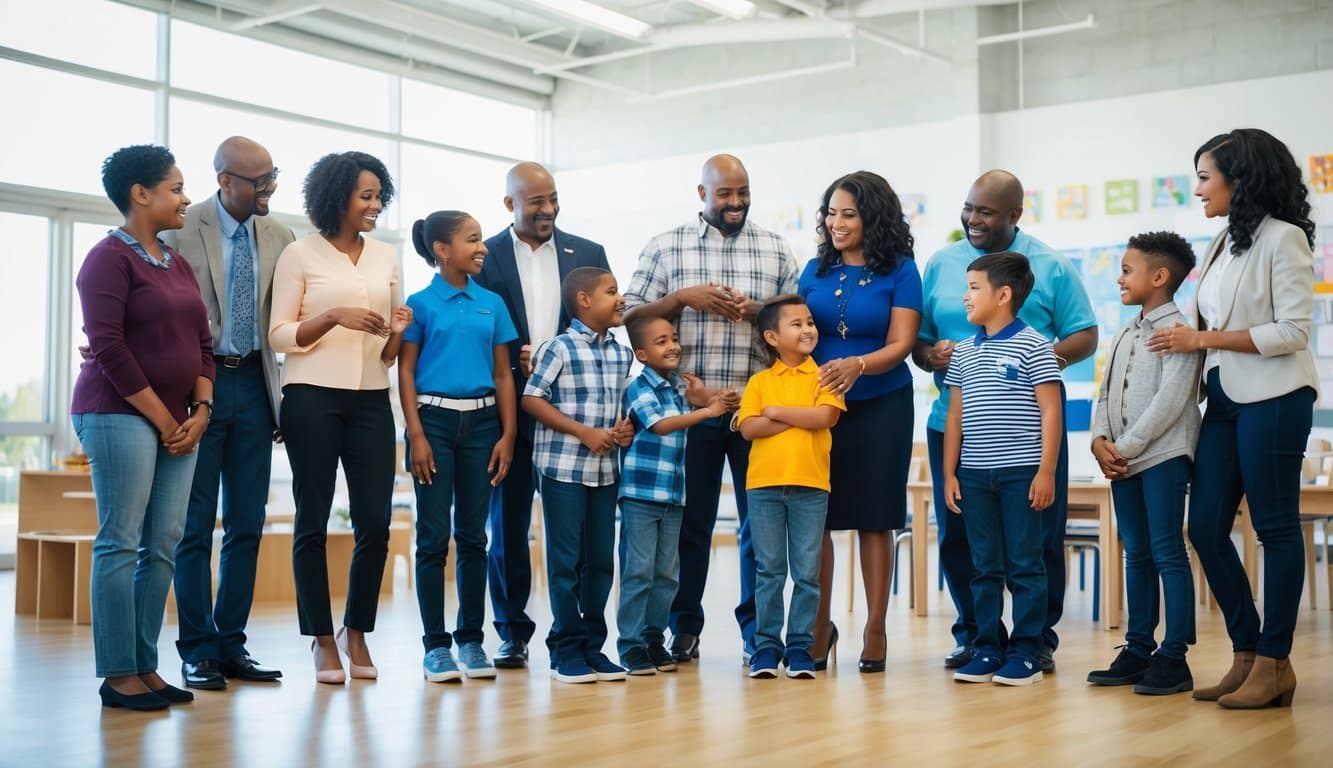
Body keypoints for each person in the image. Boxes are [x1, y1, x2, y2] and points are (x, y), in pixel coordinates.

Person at [1147, 128, 1319, 709]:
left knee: (1274, 527)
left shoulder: (1285, 238)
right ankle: (1247, 654)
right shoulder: (1224, 242)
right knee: (1204, 528)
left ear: (1237, 179)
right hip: (1221, 399)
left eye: (1203, 176)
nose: (1197, 188)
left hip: (1275, 396)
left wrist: (1202, 337)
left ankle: (1275, 662)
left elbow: (1293, 332)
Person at [915, 170, 1097, 673]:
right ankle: (978, 635)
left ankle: (1034, 641)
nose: (972, 219)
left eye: (986, 211)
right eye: (969, 207)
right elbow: (920, 340)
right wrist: (933, 355)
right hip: (956, 427)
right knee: (962, 539)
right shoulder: (941, 264)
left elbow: (1085, 335)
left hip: (1027, 435)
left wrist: (1026, 365)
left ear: (1015, 215)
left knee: (1036, 541)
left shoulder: (1050, 266)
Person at [624, 154, 801, 664]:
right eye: (725, 194)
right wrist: (681, 298)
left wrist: (759, 312)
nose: (736, 202)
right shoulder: (665, 247)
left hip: (757, 413)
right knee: (689, 526)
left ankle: (757, 634)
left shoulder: (774, 248)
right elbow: (630, 316)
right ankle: (683, 628)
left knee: (759, 530)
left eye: (743, 192)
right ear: (702, 194)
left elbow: (796, 319)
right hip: (689, 413)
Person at [73, 144, 213, 710]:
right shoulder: (108, 258)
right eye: (176, 188)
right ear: (141, 194)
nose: (185, 198)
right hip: (116, 412)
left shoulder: (175, 262)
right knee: (121, 540)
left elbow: (203, 345)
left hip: (181, 420)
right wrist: (163, 417)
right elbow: (107, 345)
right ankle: (117, 673)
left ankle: (145, 665)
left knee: (163, 544)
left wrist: (200, 412)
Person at [269, 151, 412, 685]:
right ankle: (321, 638)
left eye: (379, 195)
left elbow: (387, 353)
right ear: (337, 198)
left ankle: (357, 631)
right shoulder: (299, 254)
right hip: (310, 396)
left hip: (372, 398)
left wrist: (398, 327)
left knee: (375, 523)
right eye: (366, 195)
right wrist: (331, 316)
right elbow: (279, 335)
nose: (375, 205)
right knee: (313, 518)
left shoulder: (385, 256)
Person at [166, 136, 291, 691]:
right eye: (259, 180)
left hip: (257, 385)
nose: (269, 188)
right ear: (225, 181)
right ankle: (196, 649)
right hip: (200, 384)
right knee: (193, 526)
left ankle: (231, 643)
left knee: (246, 523)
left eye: (272, 176)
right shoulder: (180, 228)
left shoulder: (281, 235)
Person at [476, 162, 610, 670]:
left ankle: (574, 632)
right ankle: (511, 631)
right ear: (510, 204)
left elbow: (602, 327)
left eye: (553, 198)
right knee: (508, 526)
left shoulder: (589, 254)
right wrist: (516, 360)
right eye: (536, 202)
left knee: (573, 532)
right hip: (506, 411)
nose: (549, 209)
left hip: (572, 415)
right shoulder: (483, 255)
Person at [797, 171, 921, 673]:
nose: (836, 223)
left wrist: (858, 365)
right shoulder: (814, 268)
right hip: (823, 407)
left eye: (848, 213)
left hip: (883, 404)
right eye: (830, 212)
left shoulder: (902, 270)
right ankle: (819, 625)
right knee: (818, 517)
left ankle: (875, 627)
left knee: (876, 517)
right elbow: (794, 326)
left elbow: (902, 344)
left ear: (874, 217)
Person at [400, 211, 518, 683]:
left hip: (485, 425)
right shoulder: (420, 303)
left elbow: (503, 374)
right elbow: (405, 371)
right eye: (472, 240)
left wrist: (508, 435)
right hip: (434, 423)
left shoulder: (492, 302)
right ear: (442, 250)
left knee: (474, 537)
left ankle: (471, 640)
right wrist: (416, 435)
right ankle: (436, 647)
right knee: (432, 539)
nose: (482, 247)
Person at [1087, 232, 1201, 696]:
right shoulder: (1124, 330)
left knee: (1167, 550)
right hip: (1123, 461)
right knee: (1136, 551)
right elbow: (1106, 390)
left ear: (1159, 277)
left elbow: (1172, 401)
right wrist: (1099, 441)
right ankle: (1138, 648)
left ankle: (1174, 656)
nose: (1119, 277)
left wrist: (1126, 447)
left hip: (1163, 457)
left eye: (1127, 269)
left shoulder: (1179, 331)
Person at [944, 252, 1062, 687]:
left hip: (1021, 474)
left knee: (1026, 564)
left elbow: (1051, 412)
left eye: (974, 288)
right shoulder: (963, 353)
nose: (966, 296)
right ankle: (988, 646)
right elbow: (954, 416)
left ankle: (1028, 650)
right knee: (984, 566)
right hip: (974, 476)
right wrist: (950, 473)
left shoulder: (1034, 345)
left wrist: (1046, 471)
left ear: (1004, 294)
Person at [522, 267, 635, 684]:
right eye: (611, 292)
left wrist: (624, 428)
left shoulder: (622, 353)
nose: (620, 297)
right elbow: (532, 398)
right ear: (585, 301)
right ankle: (564, 648)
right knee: (566, 563)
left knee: (600, 562)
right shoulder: (559, 349)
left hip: (606, 473)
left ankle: (593, 646)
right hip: (563, 471)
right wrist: (582, 432)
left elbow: (621, 408)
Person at [616, 316, 735, 676]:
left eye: (674, 339)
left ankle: (654, 637)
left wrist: (700, 397)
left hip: (672, 495)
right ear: (641, 353)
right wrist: (707, 412)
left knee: (667, 572)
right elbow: (661, 425)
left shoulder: (676, 390)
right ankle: (631, 643)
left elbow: (686, 414)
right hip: (641, 494)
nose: (672, 346)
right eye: (661, 341)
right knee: (639, 572)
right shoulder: (639, 388)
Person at [736, 295, 845, 678]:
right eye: (796, 324)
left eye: (810, 322)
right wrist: (802, 418)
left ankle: (800, 647)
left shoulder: (826, 375)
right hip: (763, 487)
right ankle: (766, 646)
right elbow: (749, 428)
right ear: (772, 336)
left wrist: (779, 413)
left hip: (811, 487)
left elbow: (825, 416)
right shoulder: (759, 382)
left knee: (807, 572)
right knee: (769, 570)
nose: (808, 329)